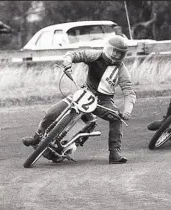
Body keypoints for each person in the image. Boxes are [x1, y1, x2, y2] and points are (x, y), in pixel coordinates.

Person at [22, 35, 136, 164]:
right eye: (114, 50)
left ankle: (115, 152)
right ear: (108, 48)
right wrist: (68, 61)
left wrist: (127, 110)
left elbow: (129, 92)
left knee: (116, 118)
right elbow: (77, 55)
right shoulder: (96, 55)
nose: (116, 55)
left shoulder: (122, 70)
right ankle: (37, 137)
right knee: (51, 113)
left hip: (104, 101)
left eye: (120, 53)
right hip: (84, 93)